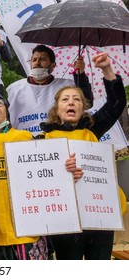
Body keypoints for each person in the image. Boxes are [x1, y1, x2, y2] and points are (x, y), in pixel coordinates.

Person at [0, 89, 83, 260]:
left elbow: (48, 176)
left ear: (6, 111)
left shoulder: (25, 138)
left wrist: (67, 172)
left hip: (26, 234)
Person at [38, 52, 127, 260]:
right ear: (57, 109)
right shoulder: (42, 139)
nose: (71, 102)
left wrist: (106, 69)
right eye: (66, 99)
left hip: (100, 215)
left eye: (76, 99)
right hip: (66, 218)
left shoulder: (92, 129)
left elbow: (116, 103)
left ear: (82, 107)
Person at [7, 44, 93, 136]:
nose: (37, 63)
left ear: (53, 65)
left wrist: (80, 75)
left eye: (43, 59)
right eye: (34, 60)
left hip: (57, 140)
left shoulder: (66, 86)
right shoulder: (14, 89)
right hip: (24, 143)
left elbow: (87, 102)